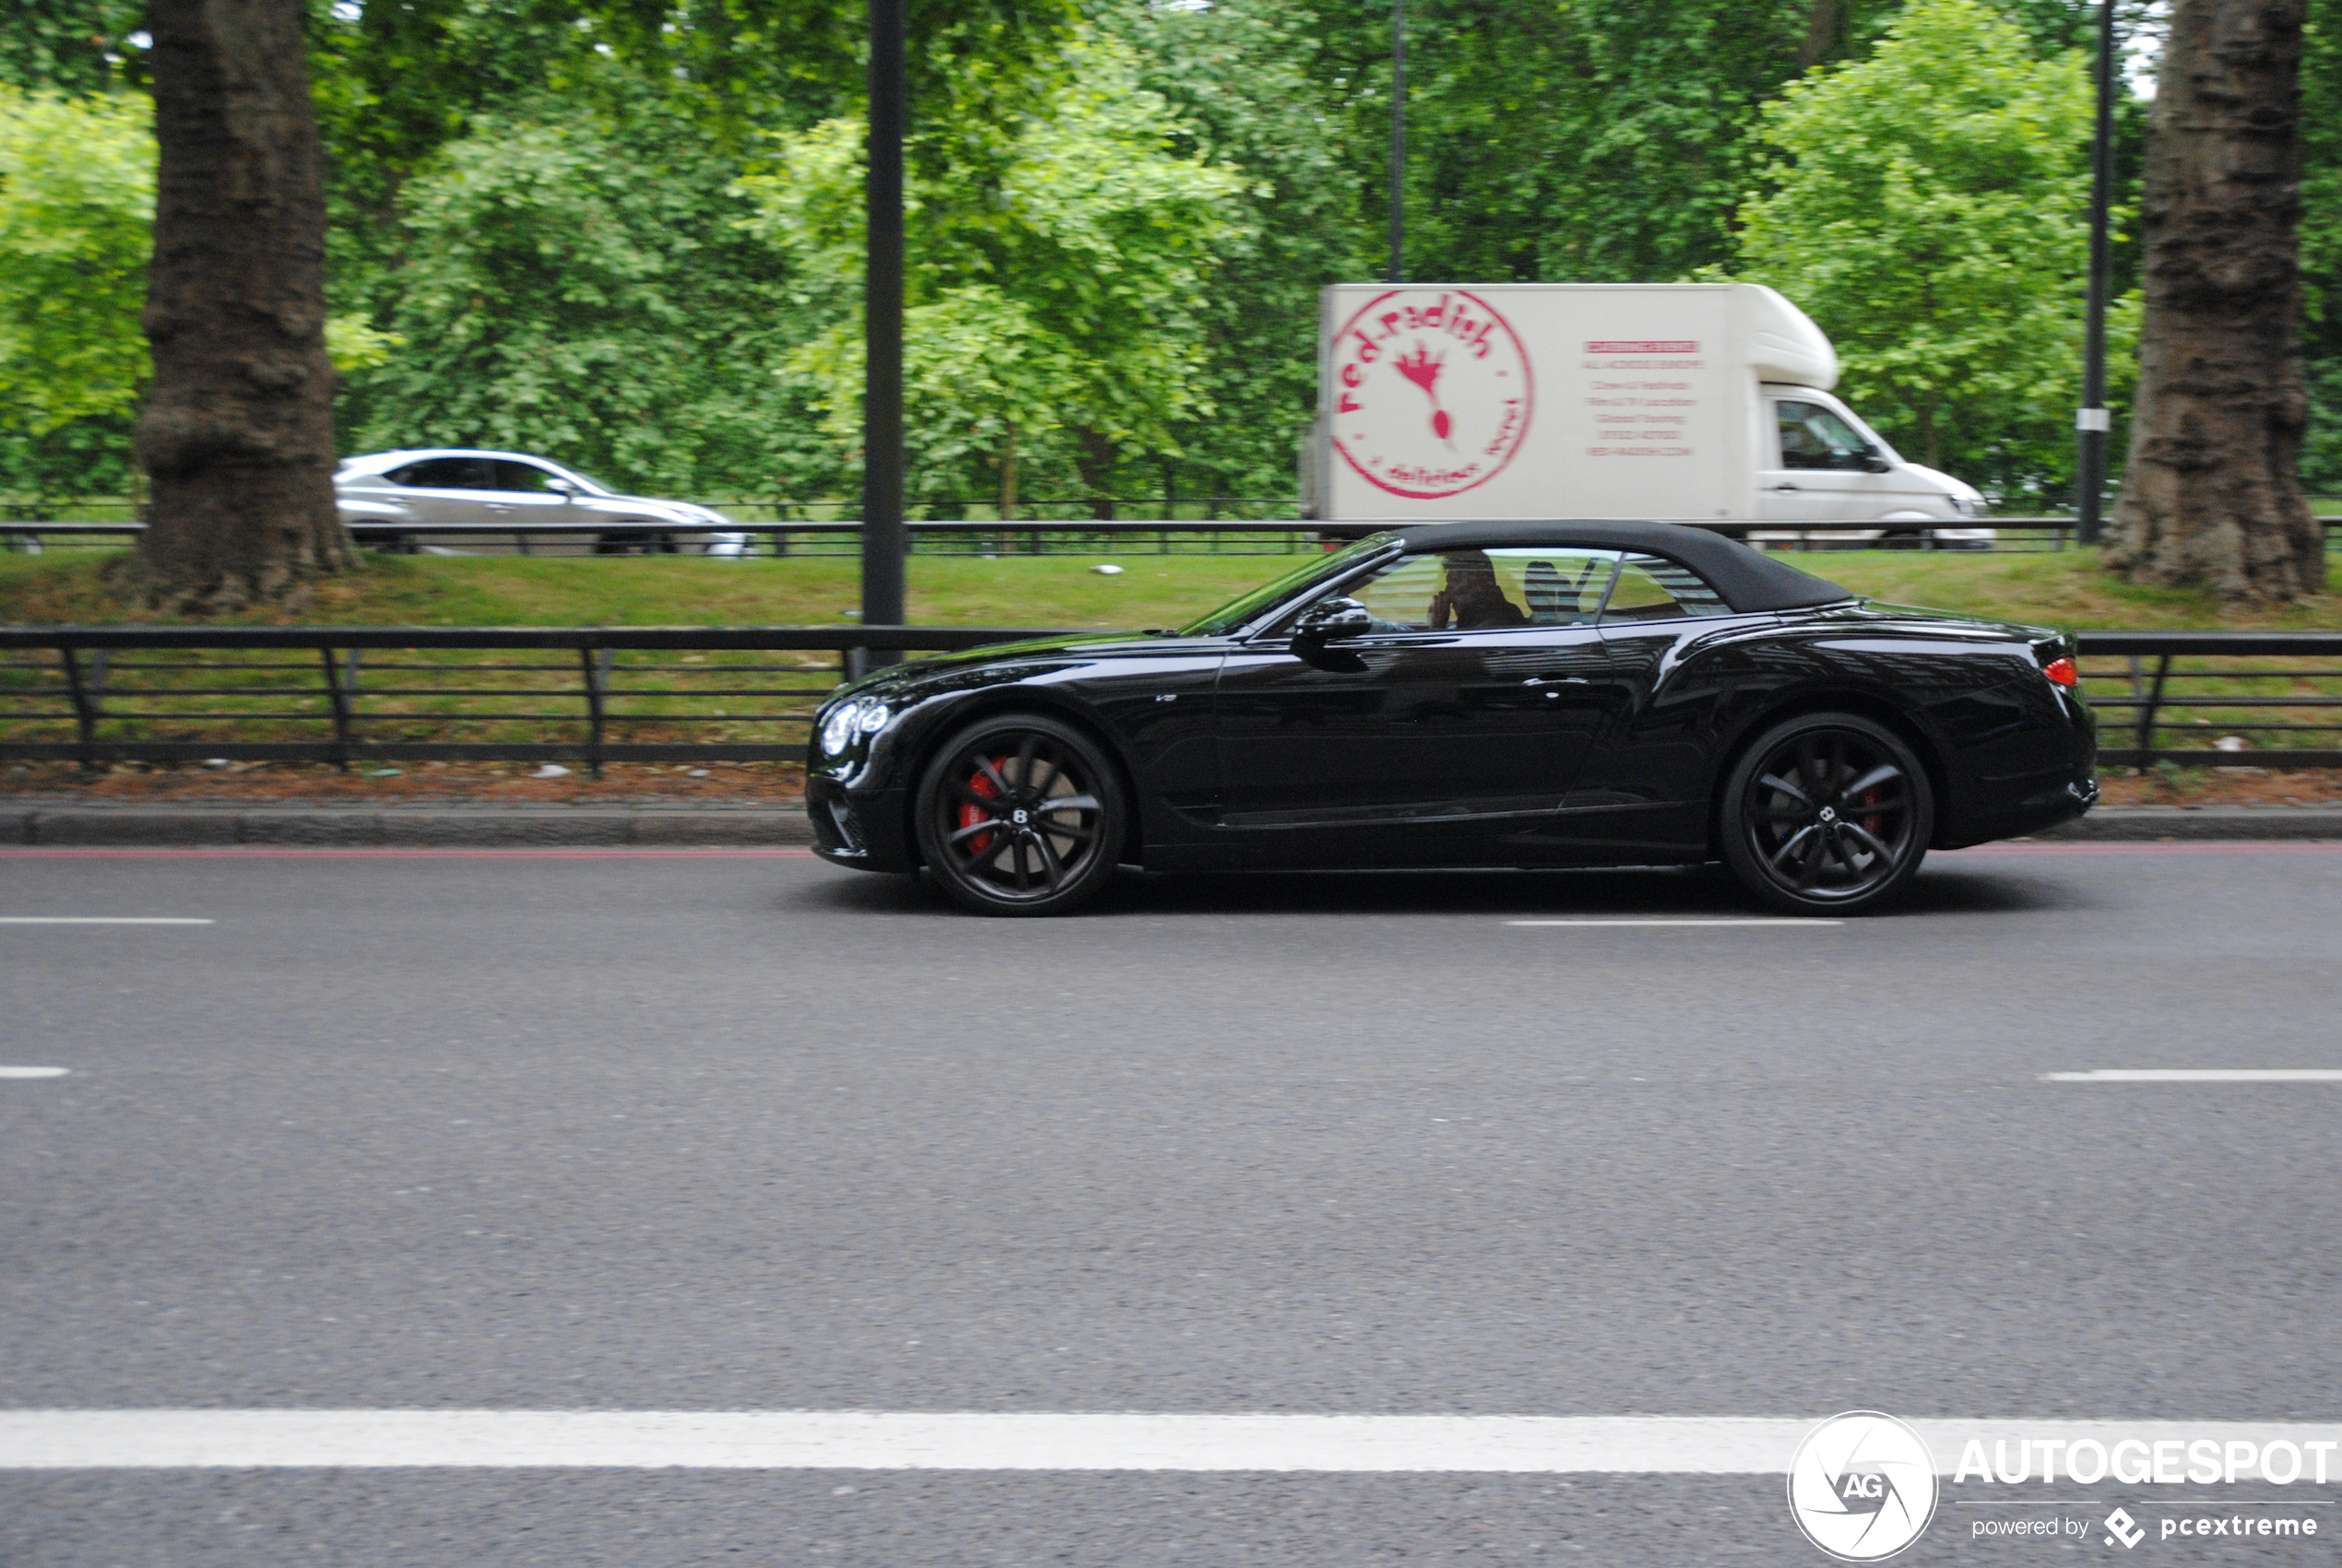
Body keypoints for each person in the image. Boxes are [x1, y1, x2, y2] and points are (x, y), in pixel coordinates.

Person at [1425, 550, 1528, 631]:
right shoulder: (1498, 613)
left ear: (1477, 582)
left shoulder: (1490, 625)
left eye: (1454, 582)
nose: (1447, 592)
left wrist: (1437, 627)